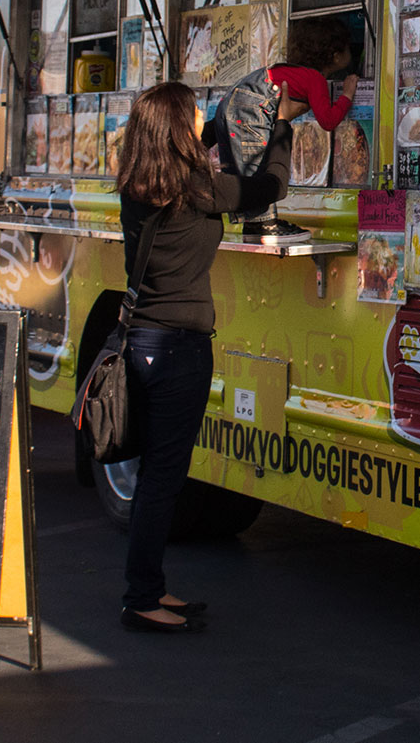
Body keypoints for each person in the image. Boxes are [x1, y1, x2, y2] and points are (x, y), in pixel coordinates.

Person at [114, 80, 291, 633]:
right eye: (193, 117)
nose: (200, 126)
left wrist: (226, 119)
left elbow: (203, 141)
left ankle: (149, 588)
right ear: (176, 130)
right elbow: (270, 186)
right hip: (178, 350)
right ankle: (142, 598)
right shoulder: (197, 188)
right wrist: (281, 123)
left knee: (154, 478)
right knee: (165, 479)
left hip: (142, 342)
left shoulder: (141, 183)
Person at [215, 16, 358, 244]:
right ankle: (266, 225)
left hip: (235, 99)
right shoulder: (315, 79)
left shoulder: (296, 72)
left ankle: (254, 224)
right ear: (336, 55)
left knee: (247, 165)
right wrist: (347, 95)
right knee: (258, 163)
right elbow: (328, 121)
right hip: (252, 104)